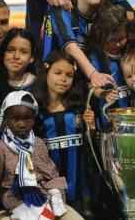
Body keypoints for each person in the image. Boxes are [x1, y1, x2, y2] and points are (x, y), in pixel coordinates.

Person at [0, 91, 90, 220]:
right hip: (16, 204)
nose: (22, 124)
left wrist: (56, 198)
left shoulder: (39, 144)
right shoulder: (0, 149)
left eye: (27, 118)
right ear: (6, 120)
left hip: (45, 199)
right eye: (15, 119)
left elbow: (52, 174)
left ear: (34, 120)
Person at [33, 51, 94, 209]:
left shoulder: (79, 105)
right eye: (58, 73)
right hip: (49, 185)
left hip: (80, 184)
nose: (63, 79)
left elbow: (92, 145)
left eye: (69, 75)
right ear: (46, 72)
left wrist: (92, 126)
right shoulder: (35, 110)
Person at [40, 0, 113, 89]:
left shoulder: (103, 12)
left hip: (84, 75)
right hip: (55, 80)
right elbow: (70, 47)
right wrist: (94, 74)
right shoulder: (61, 8)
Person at [0, 28, 38, 141]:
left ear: (32, 57)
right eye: (10, 50)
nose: (16, 56)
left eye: (24, 52)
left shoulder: (38, 86)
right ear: (3, 52)